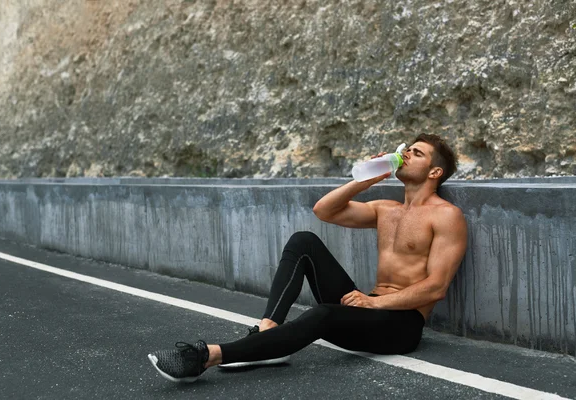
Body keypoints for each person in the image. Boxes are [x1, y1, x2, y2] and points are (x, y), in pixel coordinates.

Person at [148, 133, 468, 383]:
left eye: (417, 153)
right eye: (407, 149)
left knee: (323, 314)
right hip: (366, 308)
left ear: (434, 171)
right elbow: (323, 210)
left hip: (401, 324)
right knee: (304, 242)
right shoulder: (388, 210)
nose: (406, 154)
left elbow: (436, 287)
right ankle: (267, 330)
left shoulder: (445, 216)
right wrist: (366, 178)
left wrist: (375, 304)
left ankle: (208, 357)